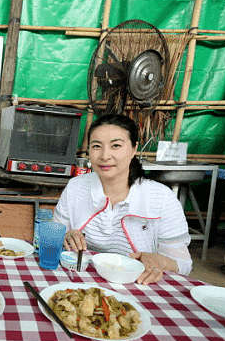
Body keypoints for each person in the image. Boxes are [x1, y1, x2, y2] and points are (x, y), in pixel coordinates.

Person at [53, 114, 192, 285]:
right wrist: (65, 237)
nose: (104, 156)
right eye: (96, 146)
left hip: (139, 284)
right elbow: (55, 236)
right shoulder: (76, 187)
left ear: (134, 149)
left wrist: (159, 261)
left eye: (116, 146)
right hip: (80, 279)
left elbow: (184, 265)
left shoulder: (162, 198)